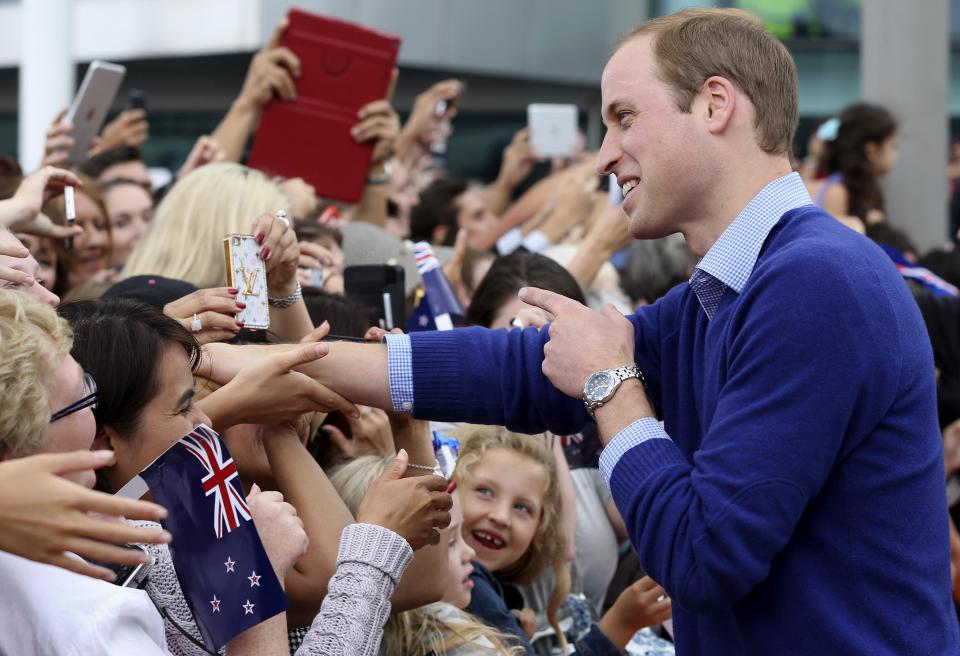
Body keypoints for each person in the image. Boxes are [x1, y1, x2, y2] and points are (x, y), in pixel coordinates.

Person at [202, 8, 958, 654]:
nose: (602, 157)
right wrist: (255, 364)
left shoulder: (813, 280)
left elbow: (703, 555)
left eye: (624, 118)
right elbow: (518, 369)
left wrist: (612, 386)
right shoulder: (744, 283)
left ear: (717, 104)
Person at [806, 102, 899, 230]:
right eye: (893, 146)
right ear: (871, 151)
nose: (896, 154)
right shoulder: (837, 191)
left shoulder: (862, 190)